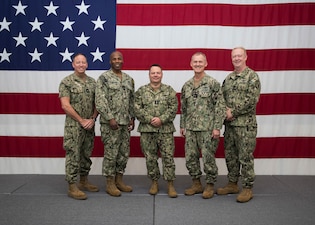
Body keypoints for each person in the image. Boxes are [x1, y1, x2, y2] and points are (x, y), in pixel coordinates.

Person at [217, 47, 261, 203]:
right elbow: (221, 99)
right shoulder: (228, 79)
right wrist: (224, 112)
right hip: (230, 126)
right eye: (234, 56)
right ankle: (232, 183)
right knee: (231, 156)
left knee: (245, 157)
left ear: (245, 57)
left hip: (245, 126)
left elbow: (251, 101)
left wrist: (232, 112)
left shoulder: (252, 77)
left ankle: (247, 188)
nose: (236, 58)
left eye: (239, 56)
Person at [180, 52, 226, 199]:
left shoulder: (212, 83)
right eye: (195, 62)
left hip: (207, 129)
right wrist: (183, 125)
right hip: (191, 129)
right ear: (190, 64)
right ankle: (196, 183)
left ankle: (210, 185)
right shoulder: (186, 85)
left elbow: (220, 106)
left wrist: (217, 127)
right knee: (190, 157)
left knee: (208, 158)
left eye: (200, 62)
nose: (198, 64)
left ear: (206, 64)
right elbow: (184, 108)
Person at [59, 53, 99, 200]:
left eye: (83, 62)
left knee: (86, 153)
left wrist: (93, 119)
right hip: (74, 126)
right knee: (73, 154)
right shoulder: (67, 82)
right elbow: (65, 105)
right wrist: (81, 120)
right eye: (78, 62)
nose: (81, 64)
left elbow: (98, 103)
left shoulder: (93, 82)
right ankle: (72, 186)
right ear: (73, 64)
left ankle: (83, 181)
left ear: (87, 64)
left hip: (89, 125)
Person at [134, 64, 178, 198]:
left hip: (165, 130)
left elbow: (173, 108)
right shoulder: (141, 91)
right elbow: (136, 108)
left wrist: (161, 119)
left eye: (158, 73)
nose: (155, 75)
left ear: (162, 74)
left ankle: (170, 183)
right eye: (153, 73)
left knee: (168, 157)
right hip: (147, 130)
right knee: (150, 158)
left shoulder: (169, 91)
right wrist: (150, 119)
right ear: (149, 75)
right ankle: (154, 182)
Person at [95, 51, 135, 197]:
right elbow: (100, 100)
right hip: (110, 123)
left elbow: (131, 100)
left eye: (119, 58)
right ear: (110, 61)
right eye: (114, 59)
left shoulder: (129, 79)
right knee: (111, 153)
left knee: (123, 153)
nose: (117, 61)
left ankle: (119, 180)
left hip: (125, 123)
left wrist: (132, 117)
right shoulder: (104, 78)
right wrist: (110, 117)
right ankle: (110, 183)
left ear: (122, 61)